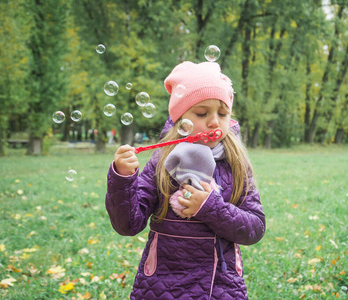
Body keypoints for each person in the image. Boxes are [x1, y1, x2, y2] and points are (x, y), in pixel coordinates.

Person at [105, 61, 265, 299]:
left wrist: (210, 207)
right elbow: (128, 224)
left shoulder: (236, 163)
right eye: (202, 113)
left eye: (222, 113)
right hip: (162, 285)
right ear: (181, 119)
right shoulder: (163, 161)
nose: (214, 122)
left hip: (220, 287)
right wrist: (122, 178)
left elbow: (255, 227)